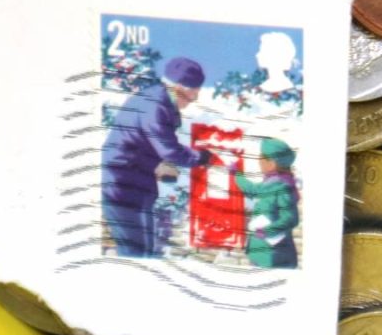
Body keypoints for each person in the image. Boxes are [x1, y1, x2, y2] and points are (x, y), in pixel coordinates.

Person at [101, 57, 213, 257]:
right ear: (179, 88)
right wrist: (201, 157)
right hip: (122, 184)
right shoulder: (154, 105)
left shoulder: (157, 99)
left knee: (144, 249)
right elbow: (168, 149)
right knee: (135, 252)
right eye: (193, 94)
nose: (194, 99)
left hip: (136, 183)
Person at [233, 138, 300, 268]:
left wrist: (268, 231)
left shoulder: (283, 187)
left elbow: (291, 219)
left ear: (272, 163)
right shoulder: (269, 183)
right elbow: (252, 190)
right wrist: (236, 173)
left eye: (261, 158)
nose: (259, 162)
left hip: (275, 258)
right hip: (260, 255)